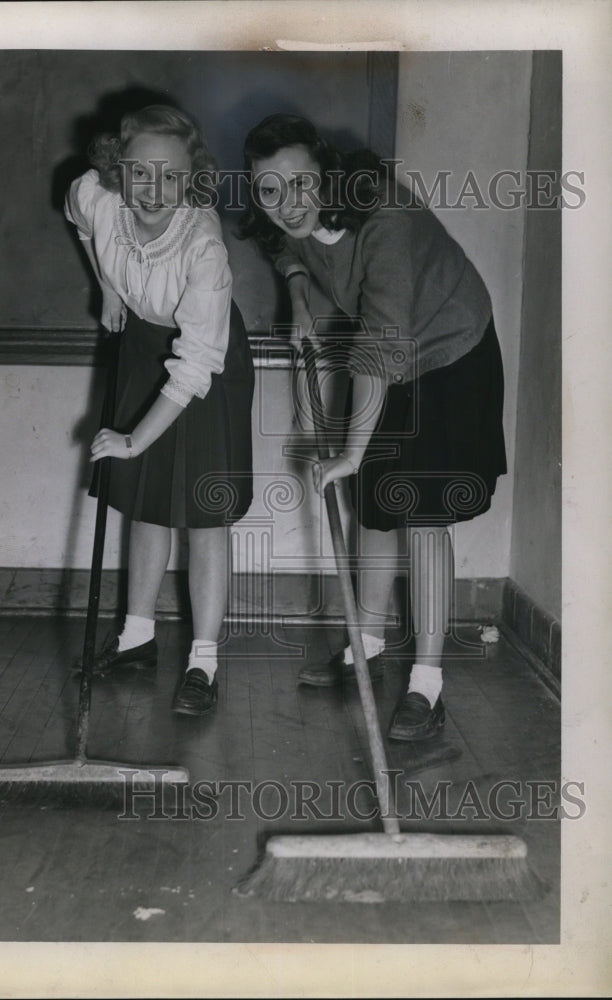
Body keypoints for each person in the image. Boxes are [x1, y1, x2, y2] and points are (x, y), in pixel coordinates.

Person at [240, 114, 506, 742]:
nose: (286, 204)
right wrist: (301, 296)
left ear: (328, 175)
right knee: (377, 510)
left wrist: (354, 450)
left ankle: (427, 685)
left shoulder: (383, 222)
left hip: (450, 353)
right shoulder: (290, 214)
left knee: (424, 517)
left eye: (300, 185)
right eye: (269, 190)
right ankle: (366, 644)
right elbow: (283, 246)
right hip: (390, 355)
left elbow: (382, 345)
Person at [65, 105, 254, 716]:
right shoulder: (99, 198)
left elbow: (196, 363)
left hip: (205, 360)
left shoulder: (203, 247)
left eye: (170, 176)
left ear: (190, 178)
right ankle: (136, 640)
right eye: (139, 173)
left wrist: (132, 441)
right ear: (117, 170)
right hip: (144, 345)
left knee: (203, 515)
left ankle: (203, 662)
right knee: (146, 505)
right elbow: (79, 212)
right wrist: (108, 285)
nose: (154, 190)